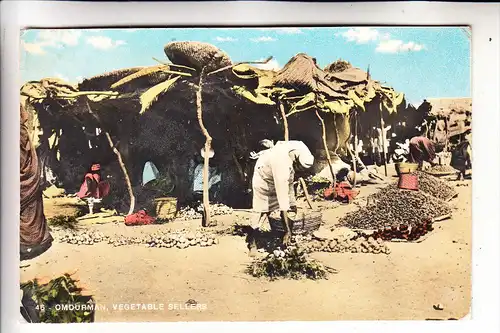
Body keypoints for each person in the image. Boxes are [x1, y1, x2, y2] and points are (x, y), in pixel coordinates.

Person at [249, 140, 314, 255]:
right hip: (264, 180)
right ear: (296, 161)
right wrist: (287, 231)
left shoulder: (299, 148)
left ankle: (288, 235)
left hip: (282, 177)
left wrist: (291, 205)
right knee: (261, 211)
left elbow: (288, 195)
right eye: (299, 168)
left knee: (292, 206)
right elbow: (283, 200)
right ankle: (252, 242)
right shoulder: (281, 164)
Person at [20, 104, 53, 261]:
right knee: (30, 211)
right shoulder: (22, 132)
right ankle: (36, 241)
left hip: (22, 180)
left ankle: (26, 245)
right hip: (30, 177)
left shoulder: (16, 133)